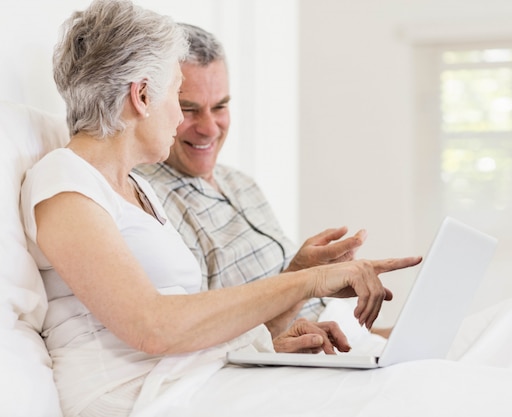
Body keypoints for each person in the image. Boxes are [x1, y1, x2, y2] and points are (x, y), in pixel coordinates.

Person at [19, 1, 420, 416]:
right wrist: (308, 282)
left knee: (401, 383)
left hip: (192, 380)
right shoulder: (64, 180)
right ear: (141, 96)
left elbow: (186, 327)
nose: (180, 116)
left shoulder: (135, 187)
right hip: (134, 398)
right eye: (178, 95)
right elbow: (152, 326)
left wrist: (266, 346)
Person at [134, 24, 391, 338]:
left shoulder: (240, 182)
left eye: (220, 107)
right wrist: (304, 276)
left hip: (344, 331)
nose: (210, 128)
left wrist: (314, 273)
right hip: (289, 351)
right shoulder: (148, 200)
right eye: (189, 109)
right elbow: (200, 335)